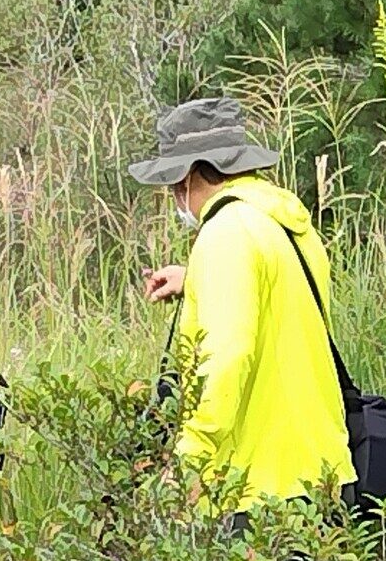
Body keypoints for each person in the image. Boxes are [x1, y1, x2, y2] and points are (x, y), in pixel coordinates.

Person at [128, 96, 353, 509]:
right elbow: (278, 302)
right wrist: (195, 279)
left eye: (173, 183)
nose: (175, 196)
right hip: (321, 471)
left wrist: (190, 459)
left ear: (190, 176)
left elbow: (227, 358)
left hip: (258, 484)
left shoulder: (225, 235)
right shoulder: (282, 222)